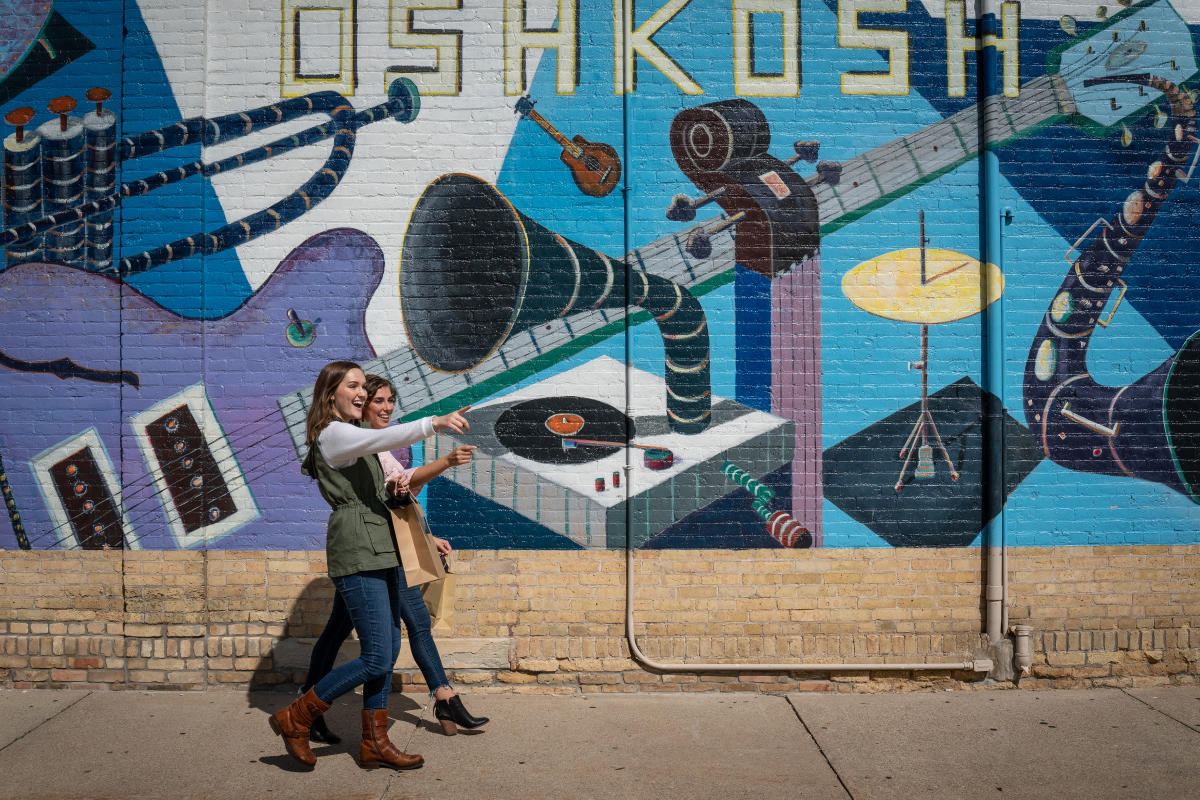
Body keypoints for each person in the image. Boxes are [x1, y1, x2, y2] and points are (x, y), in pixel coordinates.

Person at [269, 361, 471, 771]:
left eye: (365, 386)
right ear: (331, 394)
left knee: (388, 648)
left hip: (382, 544)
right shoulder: (334, 433)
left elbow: (385, 478)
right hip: (357, 547)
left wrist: (395, 490)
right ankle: (298, 715)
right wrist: (435, 422)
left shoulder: (357, 438)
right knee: (378, 657)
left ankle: (375, 742)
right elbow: (391, 433)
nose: (362, 393)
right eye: (354, 386)